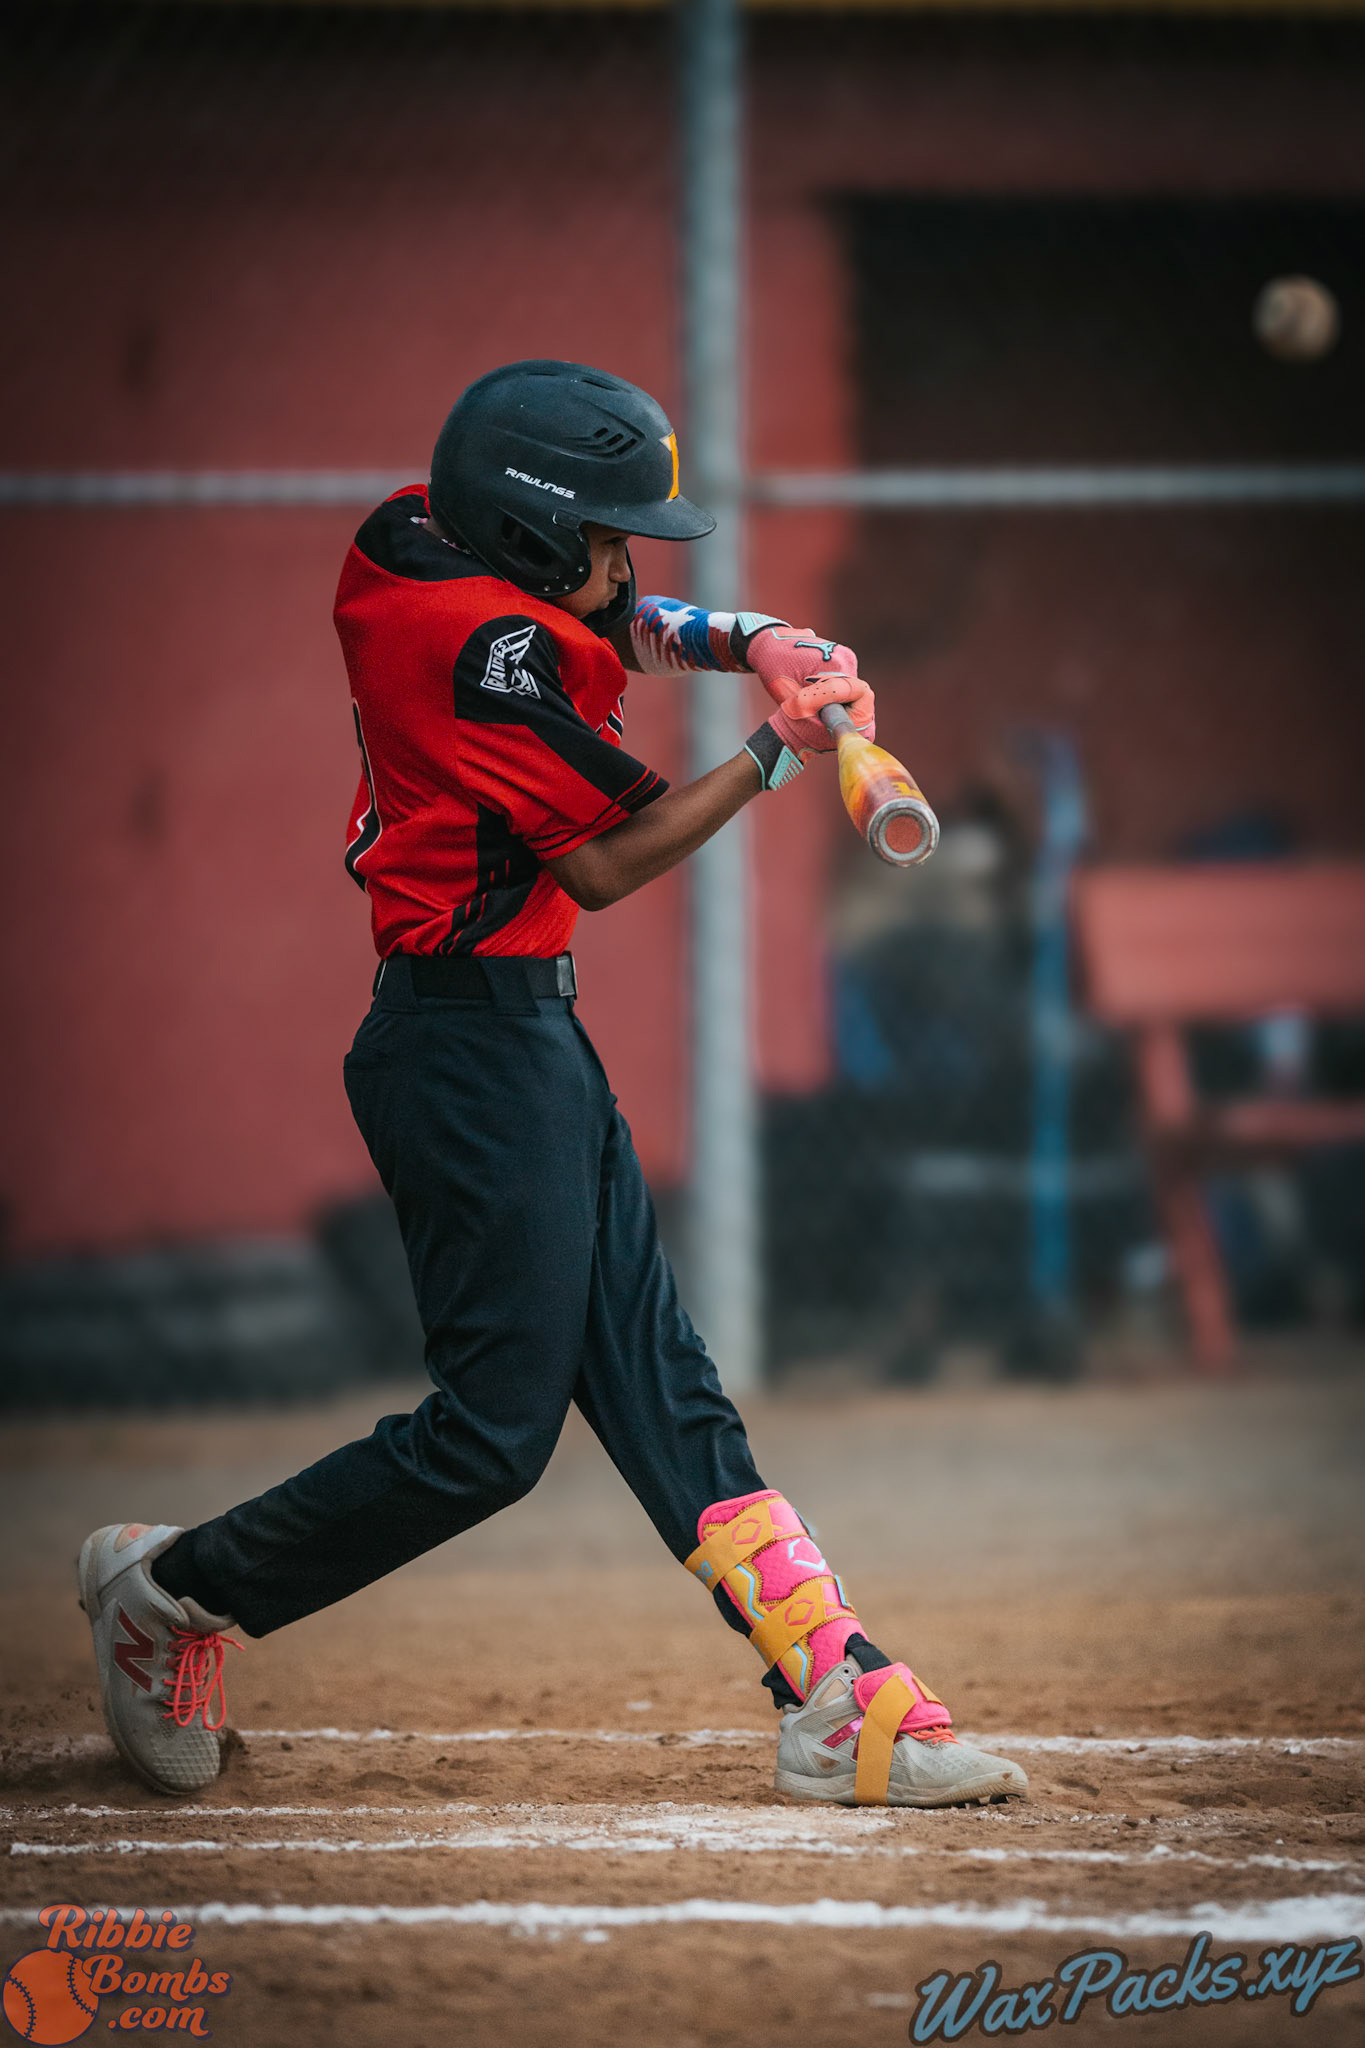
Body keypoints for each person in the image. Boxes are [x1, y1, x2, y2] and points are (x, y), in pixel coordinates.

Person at [77, 360, 1027, 1811]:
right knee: (488, 1440)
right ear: (523, 538)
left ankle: (831, 1689)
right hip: (462, 1054)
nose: (622, 561)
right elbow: (607, 859)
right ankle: (170, 1595)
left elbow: (609, 616)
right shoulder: (475, 659)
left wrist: (751, 637)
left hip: (519, 1039)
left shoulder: (413, 527)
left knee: (666, 1389)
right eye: (599, 533)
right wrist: (774, 746)